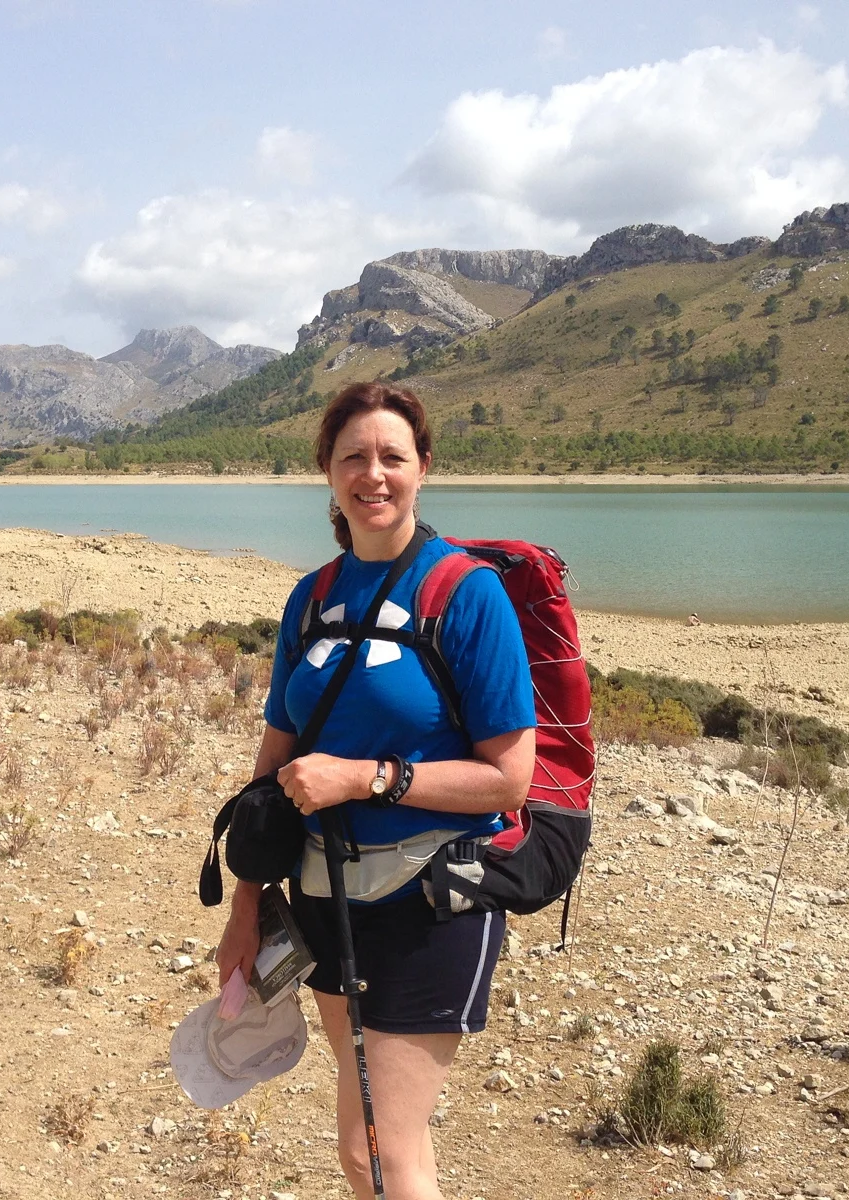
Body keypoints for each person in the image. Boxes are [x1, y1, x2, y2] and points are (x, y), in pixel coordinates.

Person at [216, 380, 536, 1200]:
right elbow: (272, 769)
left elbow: (508, 777)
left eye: (393, 456)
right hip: (324, 898)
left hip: (433, 903)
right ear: (327, 471)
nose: (374, 473)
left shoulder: (467, 593)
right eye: (354, 456)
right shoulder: (312, 598)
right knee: (370, 1150)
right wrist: (246, 908)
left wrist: (366, 777)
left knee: (382, 1147)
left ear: (423, 468)